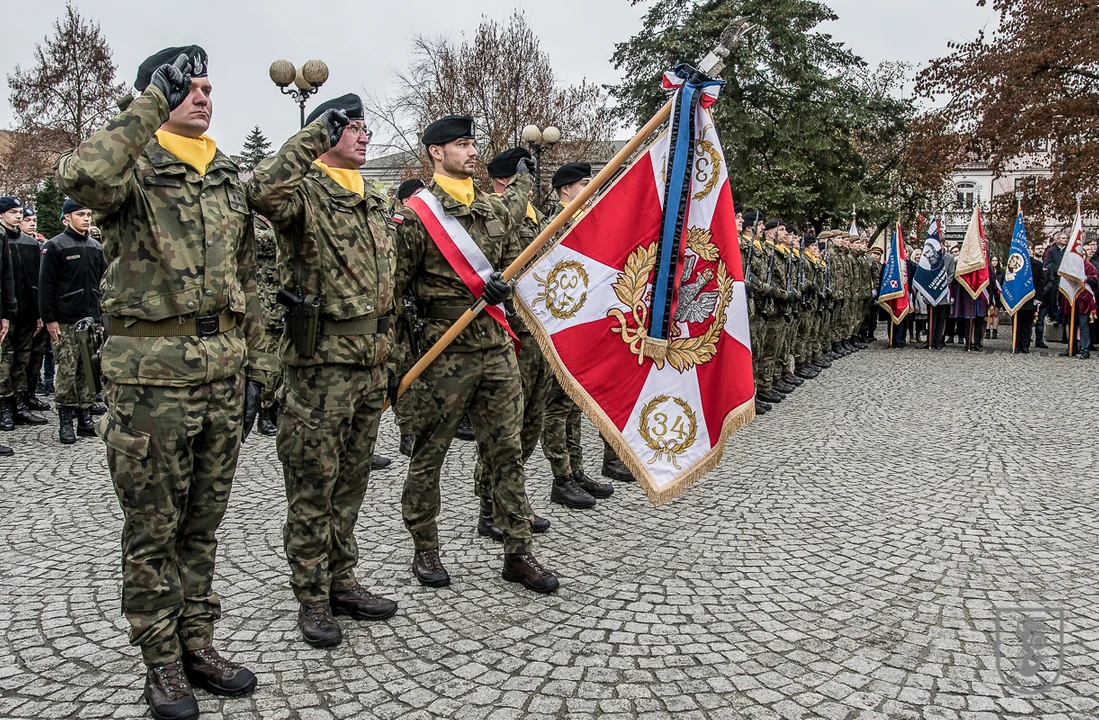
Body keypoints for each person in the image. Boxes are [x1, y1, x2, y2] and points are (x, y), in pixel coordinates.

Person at [56, 46, 270, 720]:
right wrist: (148, 104)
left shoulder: (228, 176)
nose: (202, 96)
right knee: (153, 528)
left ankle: (197, 643)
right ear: (154, 92)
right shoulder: (133, 171)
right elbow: (80, 175)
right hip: (150, 381)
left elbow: (247, 279)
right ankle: (160, 664)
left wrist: (255, 364)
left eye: (208, 86)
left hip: (219, 373)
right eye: (187, 86)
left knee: (202, 527)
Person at [249, 93, 399, 648]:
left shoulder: (373, 201)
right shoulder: (304, 194)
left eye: (365, 126)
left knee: (352, 481)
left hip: (370, 362)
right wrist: (314, 133)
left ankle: (342, 578)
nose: (363, 135)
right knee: (313, 484)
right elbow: (261, 190)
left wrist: (393, 360)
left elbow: (390, 290)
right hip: (321, 367)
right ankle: (311, 594)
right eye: (350, 127)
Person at [395, 114, 558, 593]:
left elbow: (518, 208)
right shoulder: (417, 215)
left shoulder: (491, 208)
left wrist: (529, 172)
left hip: (495, 346)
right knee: (431, 453)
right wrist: (401, 365)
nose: (471, 152)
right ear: (435, 153)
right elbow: (397, 293)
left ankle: (518, 549)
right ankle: (425, 547)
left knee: (506, 449)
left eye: (472, 143)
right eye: (461, 144)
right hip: (444, 351)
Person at [471, 147, 554, 541]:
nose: (532, 183)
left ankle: (515, 501)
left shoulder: (537, 219)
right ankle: (490, 507)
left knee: (531, 424)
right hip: (512, 332)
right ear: (507, 179)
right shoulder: (499, 217)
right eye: (526, 174)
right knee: (504, 430)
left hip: (539, 332)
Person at [538, 161, 618, 511]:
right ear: (565, 189)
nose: (591, 188)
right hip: (560, 325)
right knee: (556, 405)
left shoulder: (586, 224)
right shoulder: (552, 226)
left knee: (573, 403)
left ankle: (576, 469)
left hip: (583, 323)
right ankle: (561, 477)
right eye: (585, 183)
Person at [38, 200, 107, 442]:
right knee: (67, 371)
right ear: (67, 218)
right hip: (65, 321)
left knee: (88, 371)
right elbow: (46, 286)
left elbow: (103, 283)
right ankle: (66, 421)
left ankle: (85, 418)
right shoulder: (56, 246)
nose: (87, 219)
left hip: (91, 320)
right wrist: (49, 319)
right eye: (80, 214)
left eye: (89, 214)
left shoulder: (95, 247)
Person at [1, 196, 49, 430]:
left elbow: (36, 281)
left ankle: (21, 403)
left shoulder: (31, 244)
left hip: (28, 310)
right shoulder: (3, 241)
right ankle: (5, 407)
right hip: (7, 310)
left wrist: (39, 312)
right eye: (13, 212)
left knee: (24, 359)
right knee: (4, 361)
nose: (18, 216)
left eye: (20, 212)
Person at [391, 178, 425, 457]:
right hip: (397, 317)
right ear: (404, 201)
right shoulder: (398, 225)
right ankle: (407, 432)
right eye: (417, 195)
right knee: (401, 374)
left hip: (417, 314)